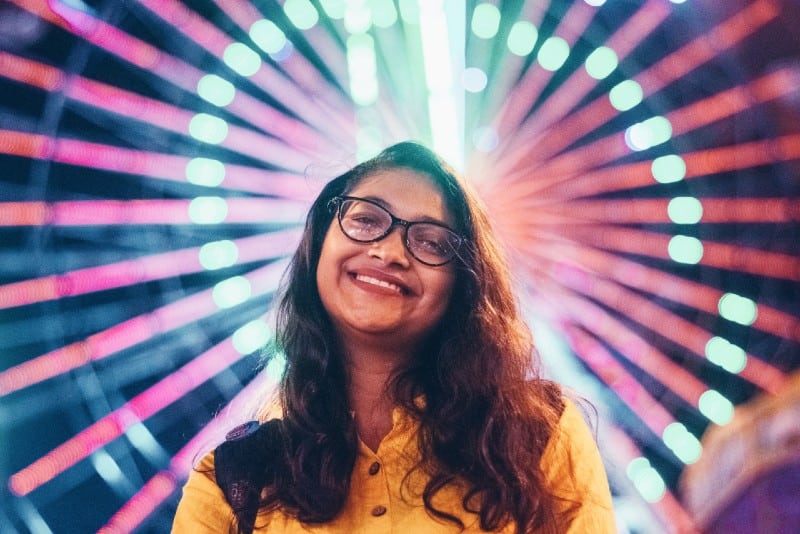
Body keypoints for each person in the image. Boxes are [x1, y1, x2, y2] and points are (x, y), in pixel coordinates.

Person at [172, 141, 616, 533]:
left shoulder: (537, 438)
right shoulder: (234, 483)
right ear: (319, 244)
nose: (389, 251)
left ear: (463, 286)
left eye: (431, 243)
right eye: (365, 219)